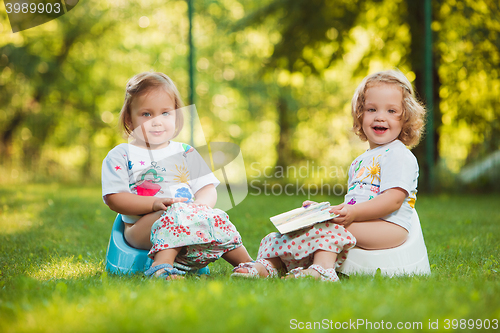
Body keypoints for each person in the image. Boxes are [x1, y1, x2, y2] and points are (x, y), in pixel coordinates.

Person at [232, 69, 425, 281]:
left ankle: (322, 270)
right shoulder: (360, 161)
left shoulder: (398, 156)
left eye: (391, 111)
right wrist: (325, 211)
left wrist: (350, 214)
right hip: (363, 221)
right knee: (306, 224)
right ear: (360, 115)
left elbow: (393, 201)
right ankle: (268, 265)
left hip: (389, 227)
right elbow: (354, 204)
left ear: (405, 117)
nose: (380, 116)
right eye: (372, 109)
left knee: (329, 228)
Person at [102, 72, 252, 280]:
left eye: (165, 113)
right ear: (129, 117)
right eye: (146, 114)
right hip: (142, 228)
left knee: (216, 217)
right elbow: (115, 198)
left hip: (188, 219)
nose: (157, 122)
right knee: (175, 213)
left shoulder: (186, 152)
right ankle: (161, 268)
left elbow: (206, 189)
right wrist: (154, 204)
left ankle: (248, 265)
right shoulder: (121, 155)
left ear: (176, 116)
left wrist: (200, 206)